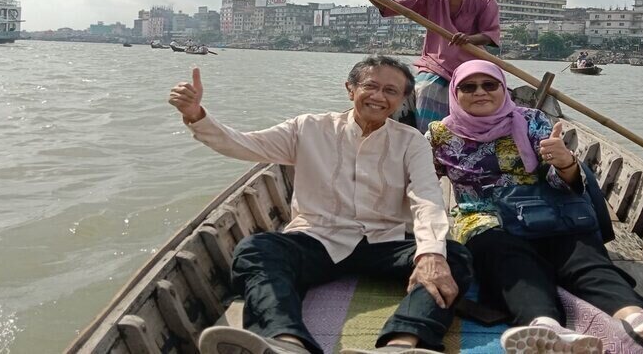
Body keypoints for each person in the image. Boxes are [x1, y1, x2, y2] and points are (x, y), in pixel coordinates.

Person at [169, 55, 473, 354]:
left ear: (402, 99)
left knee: (454, 257)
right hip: (319, 238)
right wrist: (197, 115)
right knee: (256, 250)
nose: (379, 96)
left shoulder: (411, 141)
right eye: (371, 86)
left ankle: (401, 344)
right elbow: (244, 144)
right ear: (350, 89)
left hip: (386, 241)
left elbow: (427, 197)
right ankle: (286, 342)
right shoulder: (309, 128)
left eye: (391, 91)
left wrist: (431, 254)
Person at [426, 60, 643, 353]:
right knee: (510, 261)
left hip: (547, 210)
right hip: (484, 218)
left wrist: (564, 162)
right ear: (455, 92)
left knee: (583, 256)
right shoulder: (439, 135)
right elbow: (421, 184)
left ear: (503, 88)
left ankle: (639, 320)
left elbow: (564, 183)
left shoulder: (531, 120)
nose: (480, 92)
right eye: (468, 87)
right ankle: (545, 328)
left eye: (489, 85)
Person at [351, 0, 500, 133]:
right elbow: (391, 7)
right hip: (435, 64)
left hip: (471, 65)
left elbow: (490, 34)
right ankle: (428, 142)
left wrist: (469, 39)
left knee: (490, 96)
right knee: (428, 90)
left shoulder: (485, 0)